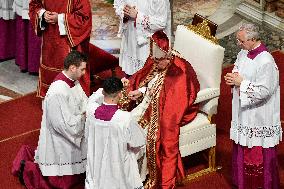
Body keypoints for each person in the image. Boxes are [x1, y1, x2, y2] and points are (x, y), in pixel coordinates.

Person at [122, 30, 200, 188]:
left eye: (158, 61)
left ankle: (139, 175)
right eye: (154, 60)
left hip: (163, 114)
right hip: (146, 105)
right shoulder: (158, 59)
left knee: (140, 138)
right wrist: (141, 91)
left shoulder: (179, 72)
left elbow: (172, 109)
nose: (155, 64)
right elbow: (148, 81)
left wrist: (150, 102)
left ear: (168, 56)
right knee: (124, 126)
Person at [12, 50, 89, 189]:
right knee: (64, 180)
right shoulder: (58, 92)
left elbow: (83, 102)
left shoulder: (73, 82)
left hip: (74, 131)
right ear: (72, 68)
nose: (84, 73)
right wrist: (83, 118)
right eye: (82, 69)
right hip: (61, 139)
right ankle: (28, 170)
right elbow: (62, 125)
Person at [224, 23, 282, 189]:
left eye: (241, 41)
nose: (238, 44)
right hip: (244, 112)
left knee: (256, 154)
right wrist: (233, 76)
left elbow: (264, 91)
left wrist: (241, 83)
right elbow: (238, 67)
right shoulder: (244, 52)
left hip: (259, 116)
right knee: (242, 147)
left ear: (253, 39)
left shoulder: (266, 61)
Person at [85, 77, 145, 189]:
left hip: (97, 164)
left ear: (103, 92)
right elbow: (139, 142)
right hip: (119, 168)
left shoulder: (91, 110)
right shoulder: (124, 118)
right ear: (120, 94)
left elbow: (93, 97)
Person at [29, 0, 92, 97]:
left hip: (69, 42)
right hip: (49, 39)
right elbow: (34, 5)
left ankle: (74, 98)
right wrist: (43, 14)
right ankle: (49, 96)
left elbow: (84, 17)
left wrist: (60, 18)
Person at [113, 0, 171, 76]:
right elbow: (118, 5)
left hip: (149, 42)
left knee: (147, 76)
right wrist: (124, 13)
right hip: (130, 38)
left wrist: (138, 15)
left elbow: (161, 23)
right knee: (131, 76)